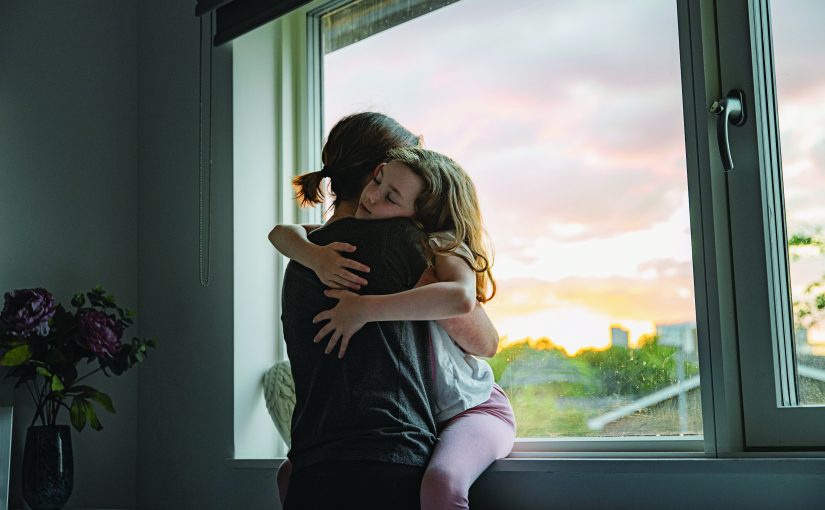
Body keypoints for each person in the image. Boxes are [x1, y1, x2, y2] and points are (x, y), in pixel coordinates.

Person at [272, 143, 516, 510]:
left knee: (442, 485)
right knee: (288, 474)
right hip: (426, 417)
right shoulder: (362, 237)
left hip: (473, 408)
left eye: (391, 196)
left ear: (419, 216)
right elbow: (283, 232)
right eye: (377, 181)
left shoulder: (440, 246)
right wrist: (316, 257)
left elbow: (463, 301)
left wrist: (365, 309)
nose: (371, 198)